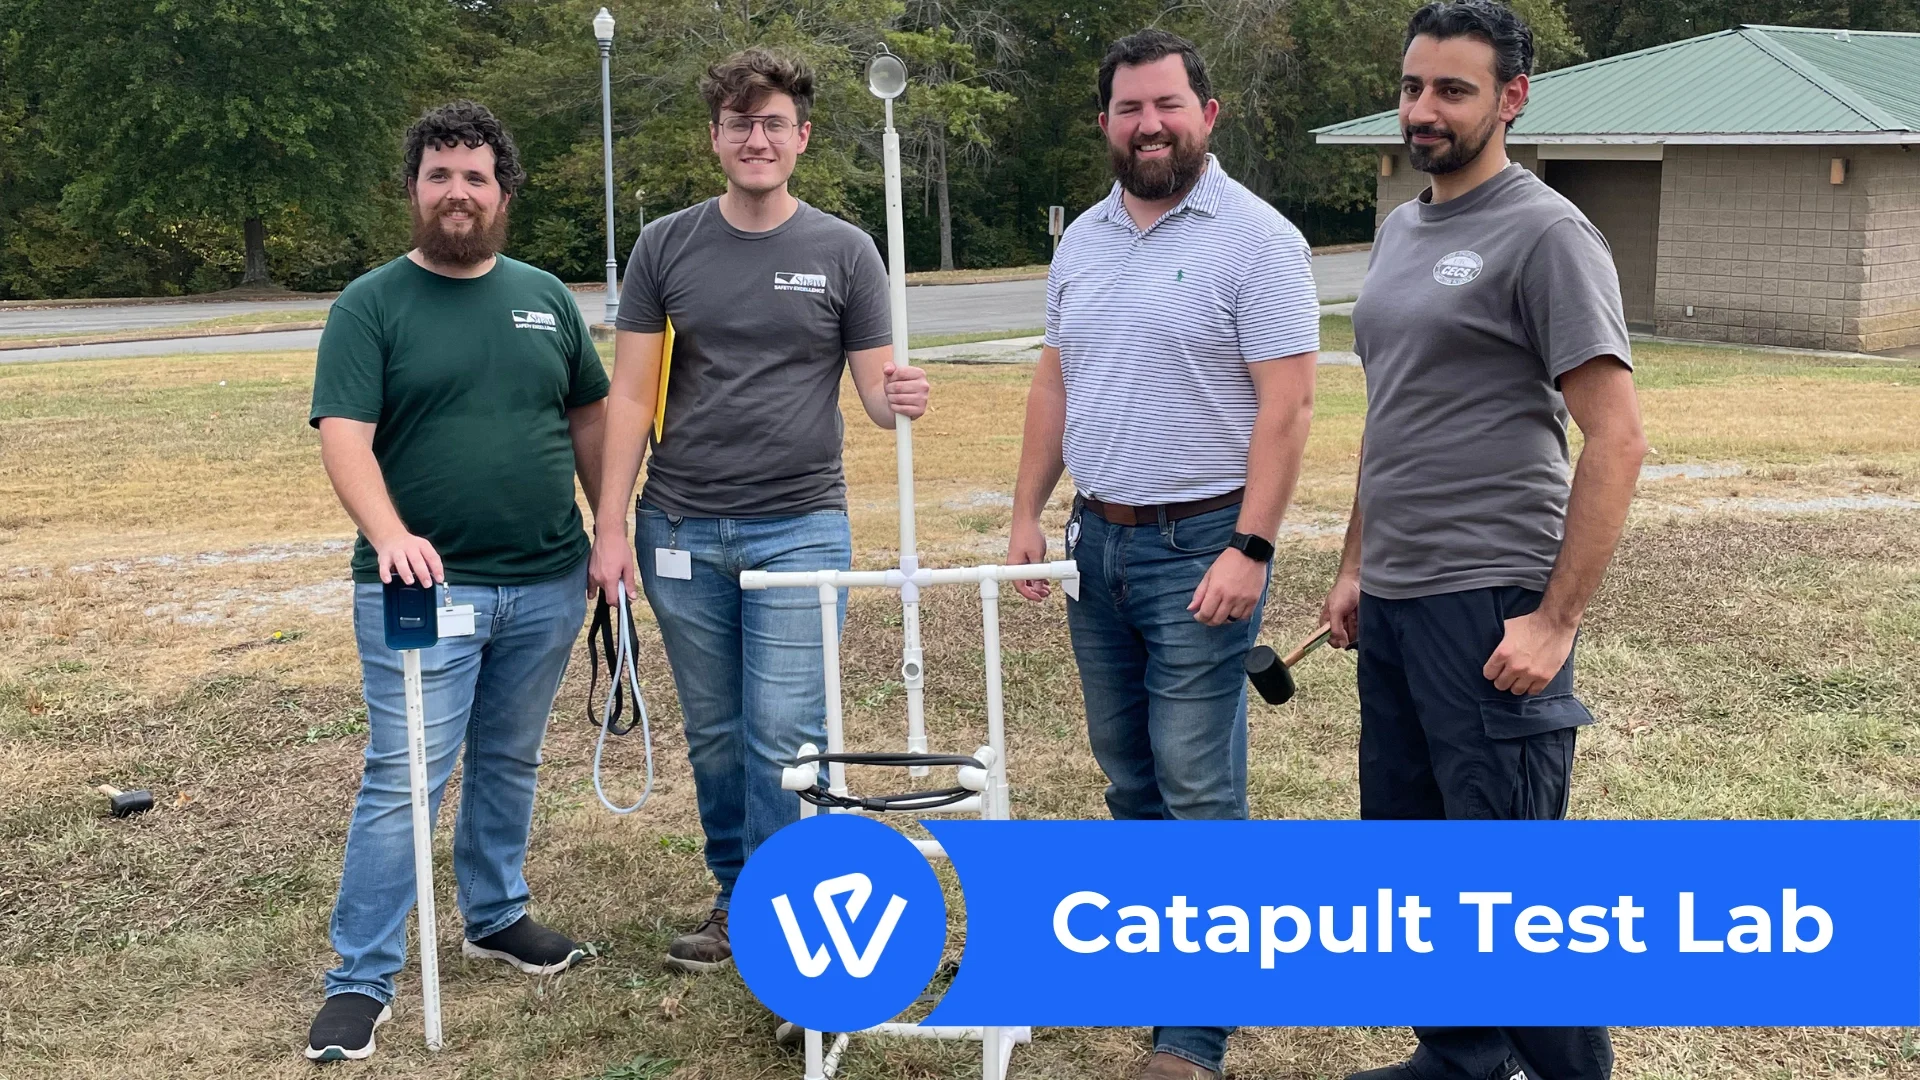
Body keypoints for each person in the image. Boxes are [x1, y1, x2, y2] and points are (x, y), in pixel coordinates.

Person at [1322, 4, 1647, 1080]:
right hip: (1401, 603)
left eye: (1452, 90)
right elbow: (1393, 410)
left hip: (1490, 600)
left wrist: (1555, 621)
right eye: (1413, 86)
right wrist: (1359, 563)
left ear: (1511, 98)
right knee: (1412, 870)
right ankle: (1460, 1056)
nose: (1423, 109)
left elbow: (1617, 436)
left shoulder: (1547, 233)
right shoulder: (1404, 228)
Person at [1006, 28, 1319, 1080]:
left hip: (1204, 548)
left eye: (1168, 106)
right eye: (1130, 109)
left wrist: (1251, 545)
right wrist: (1024, 513)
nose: (1149, 125)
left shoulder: (1259, 238)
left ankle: (1194, 1030)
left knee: (1196, 783)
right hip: (1096, 543)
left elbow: (1290, 406)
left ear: (1207, 116)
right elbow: (1057, 379)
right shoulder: (1083, 239)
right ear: (1104, 123)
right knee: (1127, 774)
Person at [588, 47, 929, 975]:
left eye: (773, 122)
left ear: (802, 137)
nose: (756, 138)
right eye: (739, 122)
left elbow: (867, 389)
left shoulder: (845, 251)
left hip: (801, 526)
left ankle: (784, 915)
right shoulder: (666, 244)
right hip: (681, 527)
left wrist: (895, 395)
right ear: (715, 137)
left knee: (785, 730)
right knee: (718, 731)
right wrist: (612, 526)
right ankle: (739, 892)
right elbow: (628, 396)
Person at [303, 100, 609, 1063]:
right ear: (413, 190)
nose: (458, 192)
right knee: (403, 780)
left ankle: (496, 913)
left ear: (503, 191)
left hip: (549, 581)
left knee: (510, 760)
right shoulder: (371, 304)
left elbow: (590, 417)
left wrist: (612, 534)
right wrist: (389, 533)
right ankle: (360, 977)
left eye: (475, 176)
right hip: (423, 594)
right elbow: (344, 434)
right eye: (439, 175)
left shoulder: (544, 296)